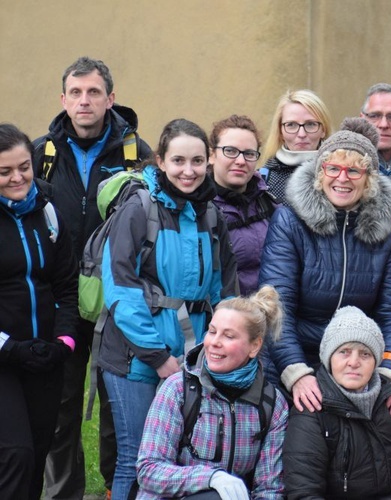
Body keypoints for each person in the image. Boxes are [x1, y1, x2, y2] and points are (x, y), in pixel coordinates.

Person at [31, 56, 152, 500]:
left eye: (94, 92)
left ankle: (116, 491)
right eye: (76, 93)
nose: (85, 101)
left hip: (117, 300)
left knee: (119, 407)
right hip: (58, 301)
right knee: (60, 409)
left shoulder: (140, 156)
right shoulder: (39, 155)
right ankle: (63, 493)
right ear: (63, 99)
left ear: (110, 99)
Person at [98, 118, 238, 498]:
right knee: (135, 457)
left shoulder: (211, 215)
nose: (188, 171)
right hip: (136, 358)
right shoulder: (137, 209)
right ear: (160, 161)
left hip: (192, 356)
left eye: (196, 161)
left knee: (179, 458)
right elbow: (121, 291)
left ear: (208, 161)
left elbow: (222, 290)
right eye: (178, 161)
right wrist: (158, 357)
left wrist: (219, 345)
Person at [259, 117, 391, 416]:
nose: (343, 178)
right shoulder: (290, 221)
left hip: (356, 362)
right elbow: (277, 306)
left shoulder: (387, 229)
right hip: (297, 354)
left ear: (369, 179)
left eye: (354, 170)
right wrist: (296, 372)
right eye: (333, 168)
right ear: (320, 172)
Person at [136, 286, 287, 500]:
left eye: (228, 336)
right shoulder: (177, 388)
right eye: (212, 331)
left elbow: (269, 488)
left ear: (254, 346)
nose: (214, 342)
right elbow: (148, 470)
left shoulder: (272, 404)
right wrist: (211, 478)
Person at [283, 306, 391, 499]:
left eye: (365, 354)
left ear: (376, 362)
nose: (354, 362)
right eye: (344, 352)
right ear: (329, 357)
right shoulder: (312, 410)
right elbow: (303, 492)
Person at [0, 123, 78, 500]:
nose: (18, 177)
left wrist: (63, 342)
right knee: (15, 454)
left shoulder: (47, 212)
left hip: (45, 356)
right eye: (5, 171)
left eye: (24, 167)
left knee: (36, 454)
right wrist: (11, 348)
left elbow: (65, 284)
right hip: (3, 359)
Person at [209, 115, 276, 294]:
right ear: (211, 155)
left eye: (249, 153)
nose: (240, 161)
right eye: (230, 151)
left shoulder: (269, 205)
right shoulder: (196, 208)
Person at [259, 89, 333, 205]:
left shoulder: (341, 175)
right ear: (280, 131)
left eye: (310, 124)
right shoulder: (262, 180)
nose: (302, 134)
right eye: (291, 125)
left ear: (323, 130)